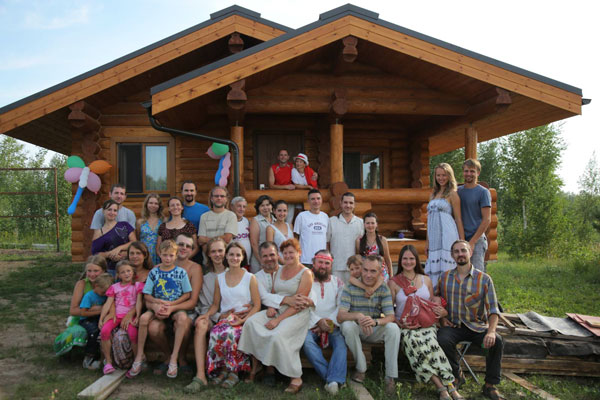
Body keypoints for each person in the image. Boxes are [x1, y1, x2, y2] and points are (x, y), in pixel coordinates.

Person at [238, 238, 313, 394]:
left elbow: (299, 304)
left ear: (299, 253)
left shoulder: (306, 273)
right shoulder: (279, 270)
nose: (288, 255)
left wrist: (278, 320)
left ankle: (295, 377)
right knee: (251, 323)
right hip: (278, 309)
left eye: (291, 252)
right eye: (285, 253)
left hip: (296, 313)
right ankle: (257, 366)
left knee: (277, 335)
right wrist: (274, 306)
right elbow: (273, 293)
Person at [388, 245, 462, 400]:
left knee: (433, 347)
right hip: (407, 327)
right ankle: (442, 387)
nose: (408, 262)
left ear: (417, 260)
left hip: (427, 325)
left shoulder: (426, 280)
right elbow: (388, 311)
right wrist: (400, 324)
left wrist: (443, 314)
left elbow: (431, 305)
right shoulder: (393, 283)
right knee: (415, 343)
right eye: (405, 259)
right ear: (400, 261)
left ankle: (450, 387)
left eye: (411, 258)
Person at [437, 240, 504, 400]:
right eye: (456, 251)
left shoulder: (484, 279)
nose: (460, 254)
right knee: (442, 339)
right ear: (452, 255)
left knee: (497, 342)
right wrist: (443, 318)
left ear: (470, 253)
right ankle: (457, 375)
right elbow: (436, 299)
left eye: (463, 250)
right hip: (453, 326)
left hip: (477, 327)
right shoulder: (445, 278)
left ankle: (489, 385)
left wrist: (491, 331)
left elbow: (494, 310)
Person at [128, 240, 192, 379]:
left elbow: (187, 294)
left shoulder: (181, 273)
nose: (167, 258)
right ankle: (139, 356)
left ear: (175, 256)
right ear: (160, 255)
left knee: (182, 319)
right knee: (144, 318)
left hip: (174, 306)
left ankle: (174, 358)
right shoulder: (154, 272)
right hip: (157, 304)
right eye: (164, 255)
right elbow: (147, 294)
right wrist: (157, 302)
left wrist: (173, 304)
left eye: (171, 255)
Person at [337, 255, 400, 396]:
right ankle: (361, 368)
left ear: (379, 272)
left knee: (393, 328)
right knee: (347, 325)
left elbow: (391, 316)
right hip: (357, 329)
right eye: (365, 270)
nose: (367, 274)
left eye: (372, 271)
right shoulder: (350, 286)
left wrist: (375, 321)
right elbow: (340, 316)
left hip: (374, 328)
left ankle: (390, 377)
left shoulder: (383, 288)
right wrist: (358, 317)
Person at [202, 242, 261, 388]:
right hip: (227, 318)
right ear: (226, 257)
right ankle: (222, 370)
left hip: (244, 319)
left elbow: (257, 304)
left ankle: (234, 371)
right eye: (231, 254)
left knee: (231, 334)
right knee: (216, 332)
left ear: (242, 258)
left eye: (238, 255)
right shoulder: (220, 278)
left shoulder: (250, 278)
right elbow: (216, 304)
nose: (234, 258)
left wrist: (243, 320)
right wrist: (206, 315)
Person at [146, 233, 201, 376]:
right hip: (162, 308)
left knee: (183, 322)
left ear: (192, 250)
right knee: (153, 328)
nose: (184, 248)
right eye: (181, 244)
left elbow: (192, 301)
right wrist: (155, 306)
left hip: (182, 309)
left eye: (188, 246)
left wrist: (171, 308)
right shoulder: (158, 269)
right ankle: (167, 357)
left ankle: (181, 358)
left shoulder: (195, 269)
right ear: (175, 245)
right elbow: (147, 296)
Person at [185, 237, 228, 391]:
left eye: (220, 251)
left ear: (226, 252)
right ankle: (200, 375)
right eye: (214, 251)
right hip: (212, 315)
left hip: (232, 318)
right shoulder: (206, 278)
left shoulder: (234, 273)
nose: (218, 255)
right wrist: (215, 317)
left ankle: (227, 370)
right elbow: (204, 307)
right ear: (208, 255)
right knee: (201, 324)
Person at [302, 250, 346, 395]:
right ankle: (333, 379)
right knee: (306, 343)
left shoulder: (337, 282)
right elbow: (304, 306)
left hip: (333, 324)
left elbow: (341, 306)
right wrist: (318, 321)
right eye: (320, 262)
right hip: (311, 324)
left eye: (327, 263)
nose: (323, 266)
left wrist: (329, 322)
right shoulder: (306, 281)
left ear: (331, 266)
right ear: (313, 263)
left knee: (340, 344)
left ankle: (331, 380)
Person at [99, 260, 144, 375]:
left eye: (128, 271)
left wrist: (137, 316)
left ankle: (136, 362)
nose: (126, 274)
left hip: (130, 317)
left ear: (133, 272)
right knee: (104, 331)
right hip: (116, 316)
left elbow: (139, 302)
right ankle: (108, 362)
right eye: (123, 272)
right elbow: (108, 304)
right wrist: (102, 318)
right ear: (118, 275)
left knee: (133, 334)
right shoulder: (114, 287)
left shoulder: (137, 286)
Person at [425, 163, 465, 290]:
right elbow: (429, 219)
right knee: (434, 267)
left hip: (448, 234)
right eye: (438, 175)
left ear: (449, 176)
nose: (441, 178)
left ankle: (450, 293)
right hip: (434, 237)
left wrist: (462, 242)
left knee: (447, 266)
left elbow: (458, 218)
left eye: (444, 175)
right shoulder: (433, 194)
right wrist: (427, 242)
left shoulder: (452, 194)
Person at [458, 159, 491, 272]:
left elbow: (486, 220)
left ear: (478, 173)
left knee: (477, 274)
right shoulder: (458, 191)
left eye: (472, 171)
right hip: (460, 239)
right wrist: (462, 241)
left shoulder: (483, 192)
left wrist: (472, 242)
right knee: (461, 273)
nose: (469, 174)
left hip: (476, 240)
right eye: (466, 171)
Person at [91, 199, 136, 276]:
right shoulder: (99, 232)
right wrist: (110, 254)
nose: (112, 213)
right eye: (109, 210)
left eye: (115, 210)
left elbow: (134, 243)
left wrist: (119, 249)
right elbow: (95, 254)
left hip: (128, 269)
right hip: (110, 270)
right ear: (103, 211)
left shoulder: (125, 225)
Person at [327, 192, 363, 284]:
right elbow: (327, 244)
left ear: (354, 205)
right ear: (341, 203)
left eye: (351, 203)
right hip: (336, 267)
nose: (348, 205)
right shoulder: (331, 221)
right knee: (337, 295)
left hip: (355, 268)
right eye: (345, 202)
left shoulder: (360, 223)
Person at [79, 273, 113, 370]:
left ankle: (102, 356)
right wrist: (100, 311)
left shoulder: (106, 296)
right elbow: (83, 313)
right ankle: (89, 355)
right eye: (103, 292)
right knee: (93, 332)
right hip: (87, 320)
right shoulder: (89, 296)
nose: (104, 294)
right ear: (96, 286)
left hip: (99, 318)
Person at [294, 189, 329, 269]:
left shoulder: (325, 217)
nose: (316, 201)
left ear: (322, 200)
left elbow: (327, 240)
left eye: (318, 198)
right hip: (305, 260)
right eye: (313, 199)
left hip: (322, 260)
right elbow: (296, 238)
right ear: (308, 201)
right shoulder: (301, 216)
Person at [198, 186, 238, 255]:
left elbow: (227, 239)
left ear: (226, 199)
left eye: (222, 196)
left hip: (226, 259)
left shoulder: (231, 216)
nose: (219, 198)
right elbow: (201, 241)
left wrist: (206, 239)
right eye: (216, 196)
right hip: (208, 260)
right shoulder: (204, 217)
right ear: (211, 199)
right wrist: (209, 257)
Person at [356, 212, 393, 280]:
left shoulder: (382, 240)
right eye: (368, 223)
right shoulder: (359, 241)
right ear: (364, 224)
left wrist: (391, 277)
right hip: (367, 276)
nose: (370, 225)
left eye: (372, 223)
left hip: (382, 276)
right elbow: (358, 260)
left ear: (376, 224)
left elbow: (388, 259)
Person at [181, 180, 210, 265]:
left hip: (200, 251)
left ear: (196, 192)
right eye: (186, 190)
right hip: (182, 250)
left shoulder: (205, 210)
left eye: (191, 190)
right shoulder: (177, 209)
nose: (189, 193)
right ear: (182, 192)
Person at [249, 195, 274, 272]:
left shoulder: (276, 220)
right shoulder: (255, 221)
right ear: (258, 208)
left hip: (272, 260)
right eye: (262, 205)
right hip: (259, 261)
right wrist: (262, 262)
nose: (265, 208)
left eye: (268, 205)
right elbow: (254, 244)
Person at [137, 193, 164, 266]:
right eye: (151, 203)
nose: (153, 205)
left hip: (158, 255)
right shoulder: (140, 222)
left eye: (156, 203)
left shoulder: (163, 221)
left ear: (159, 206)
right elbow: (137, 239)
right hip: (144, 255)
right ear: (146, 204)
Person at [266, 200, 294, 264]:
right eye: (279, 211)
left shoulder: (290, 226)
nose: (282, 214)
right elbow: (271, 249)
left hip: (292, 262)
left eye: (284, 211)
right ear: (274, 211)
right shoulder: (270, 228)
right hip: (278, 264)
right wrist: (283, 262)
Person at [231, 196, 252, 262]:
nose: (241, 209)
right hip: (234, 260)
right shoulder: (228, 221)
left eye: (244, 207)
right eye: (239, 206)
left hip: (247, 260)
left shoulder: (246, 221)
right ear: (232, 207)